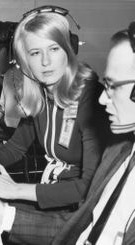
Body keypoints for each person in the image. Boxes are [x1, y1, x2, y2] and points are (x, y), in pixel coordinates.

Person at [0, 6, 110, 245]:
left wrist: (14, 192)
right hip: (50, 195)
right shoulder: (40, 94)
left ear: (68, 50)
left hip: (77, 213)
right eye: (35, 53)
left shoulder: (91, 97)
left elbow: (89, 188)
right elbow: (16, 146)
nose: (45, 61)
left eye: (54, 49)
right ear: (25, 60)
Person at [52, 25, 135, 245]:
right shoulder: (118, 150)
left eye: (112, 86)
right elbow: (81, 225)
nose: (102, 99)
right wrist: (5, 216)